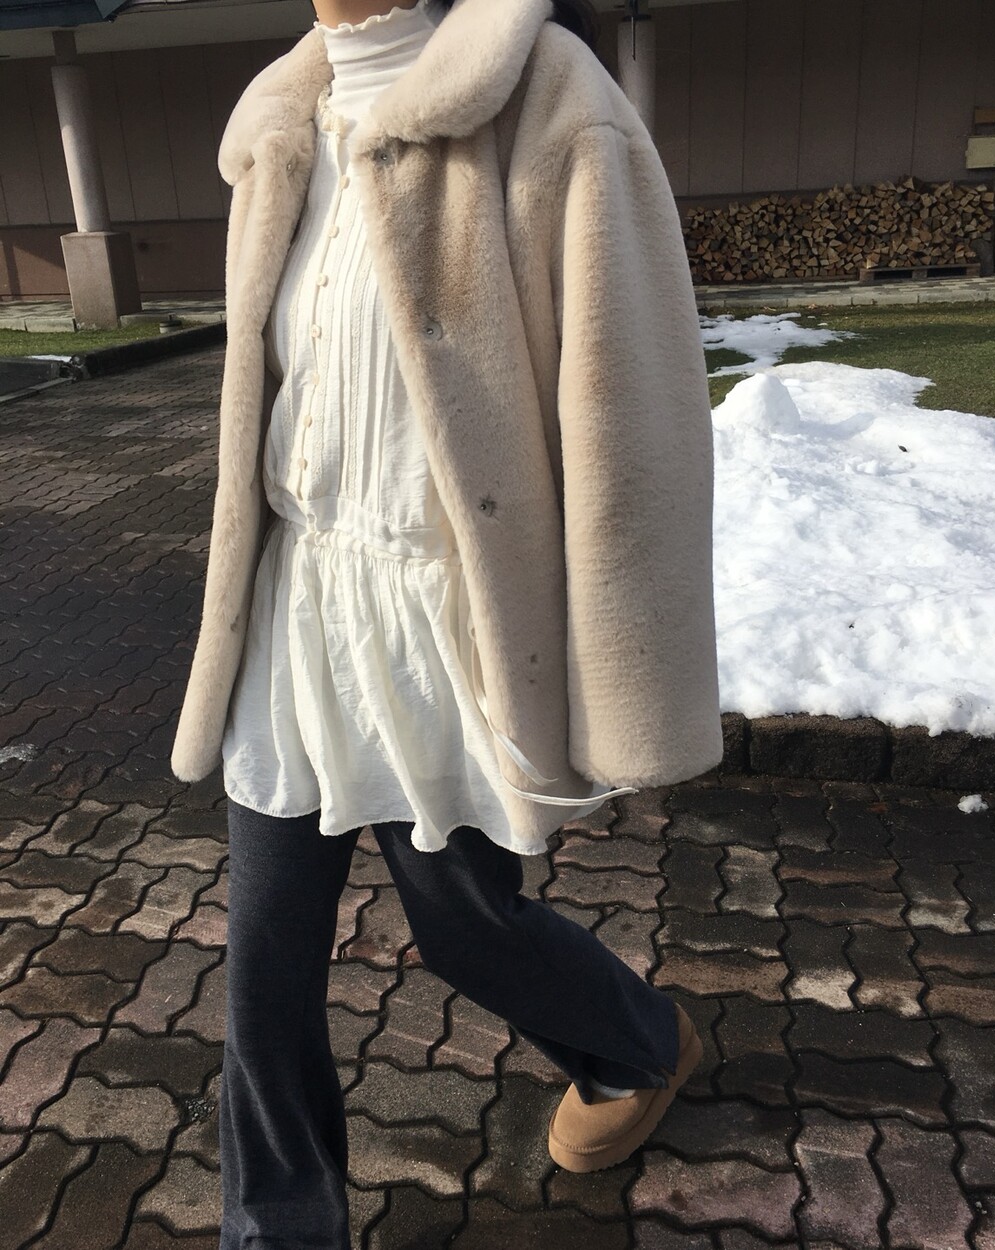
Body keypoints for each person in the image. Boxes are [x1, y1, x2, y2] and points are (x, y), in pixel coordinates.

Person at [168, 0, 723, 1243]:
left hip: (441, 613)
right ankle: (278, 1223)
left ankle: (642, 1039)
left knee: (465, 925)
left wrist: (623, 669)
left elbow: (632, 420)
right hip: (297, 602)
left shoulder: (547, 96)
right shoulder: (279, 126)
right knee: (263, 958)